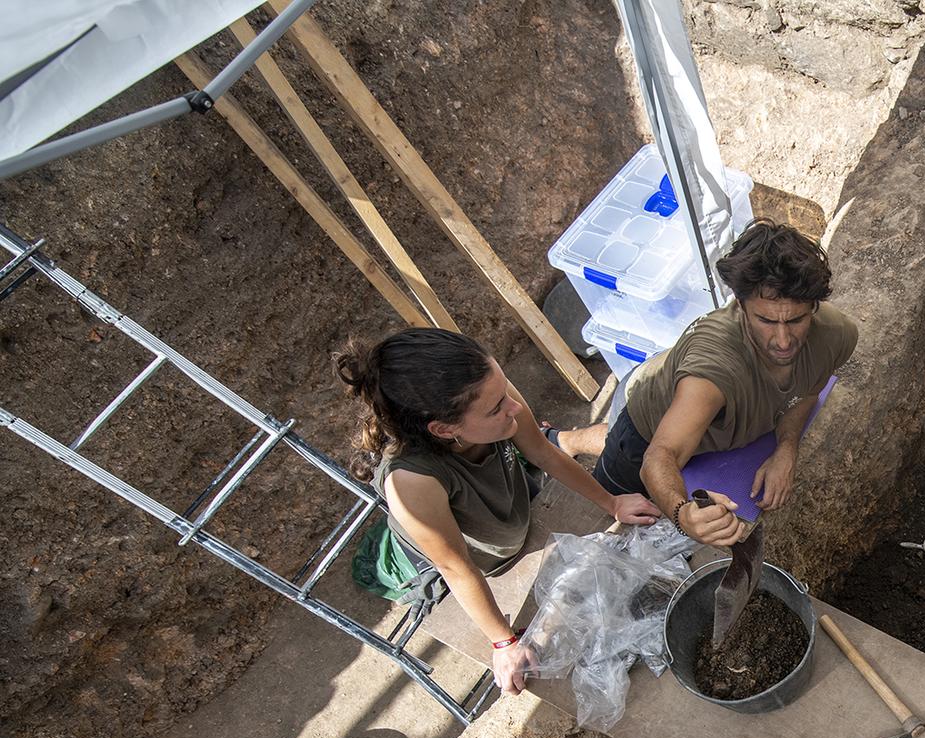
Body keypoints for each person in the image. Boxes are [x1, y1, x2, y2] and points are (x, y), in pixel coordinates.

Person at [337, 328, 660, 695]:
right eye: (495, 409)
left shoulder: (500, 400)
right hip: (450, 558)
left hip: (502, 508)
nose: (516, 408)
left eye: (504, 390)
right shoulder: (411, 483)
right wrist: (504, 642)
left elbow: (542, 453)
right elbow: (456, 568)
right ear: (444, 429)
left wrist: (612, 502)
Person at [580, 220, 857, 548]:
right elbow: (662, 454)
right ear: (740, 306)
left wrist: (786, 449)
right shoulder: (712, 372)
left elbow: (808, 391)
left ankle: (565, 440)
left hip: (696, 428)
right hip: (642, 429)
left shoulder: (836, 335)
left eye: (796, 320)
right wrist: (684, 514)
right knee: (609, 514)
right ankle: (564, 444)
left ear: (814, 307)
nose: (783, 340)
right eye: (766, 320)